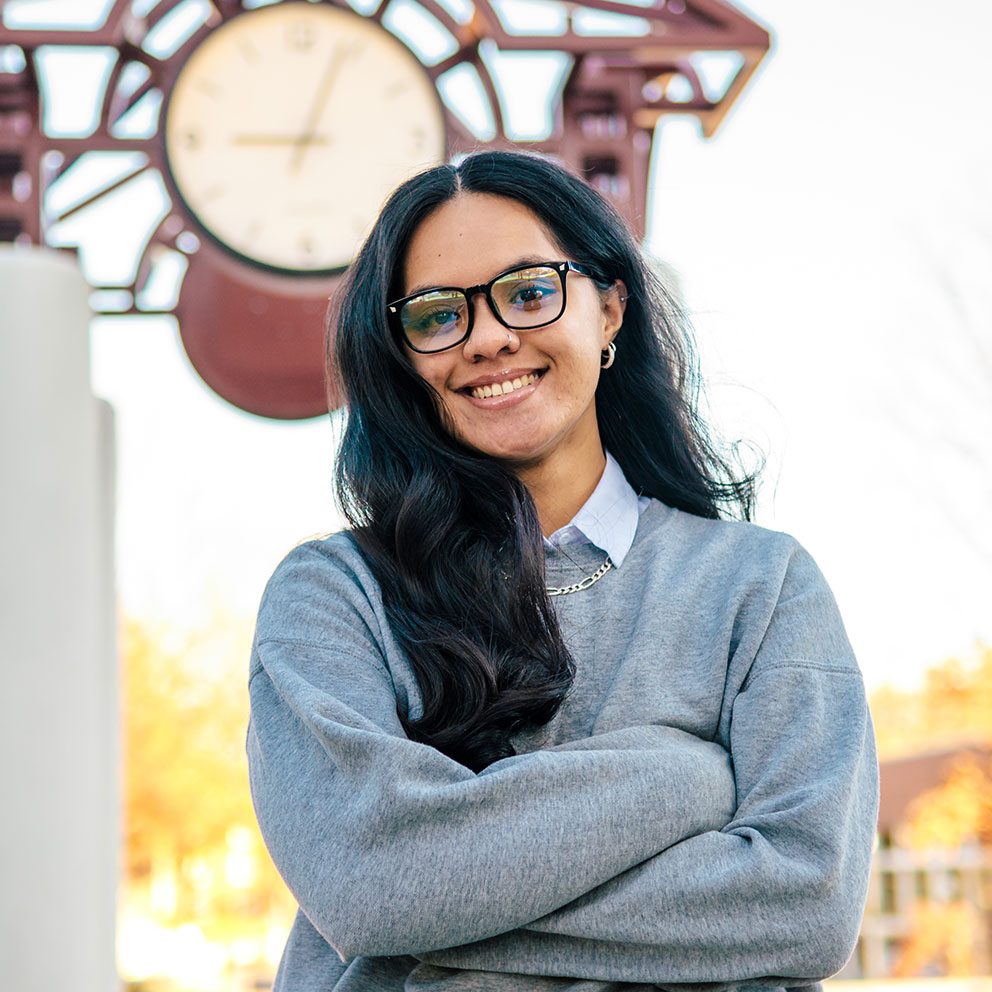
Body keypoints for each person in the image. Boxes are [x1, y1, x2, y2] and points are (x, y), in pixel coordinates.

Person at [247, 150, 879, 992]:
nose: (489, 338)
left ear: (610, 308)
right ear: (402, 358)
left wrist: (439, 912)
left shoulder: (759, 589)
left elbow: (805, 903)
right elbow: (369, 885)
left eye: (530, 291)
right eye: (437, 316)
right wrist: (682, 774)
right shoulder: (335, 596)